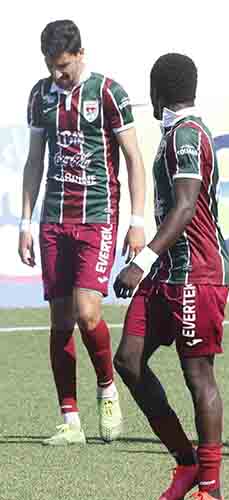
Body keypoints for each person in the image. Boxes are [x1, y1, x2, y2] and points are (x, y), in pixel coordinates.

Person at [19, 19, 146, 446]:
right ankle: (69, 420)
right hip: (54, 220)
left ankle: (107, 389)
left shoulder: (108, 93)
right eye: (51, 66)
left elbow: (133, 158)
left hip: (97, 217)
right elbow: (35, 159)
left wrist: (137, 220)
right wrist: (25, 222)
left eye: (63, 66)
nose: (57, 75)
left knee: (88, 313)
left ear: (79, 55)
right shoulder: (40, 95)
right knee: (59, 321)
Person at [113, 53, 229, 500]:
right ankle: (186, 464)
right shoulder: (176, 133)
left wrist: (139, 261)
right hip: (168, 271)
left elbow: (185, 206)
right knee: (129, 360)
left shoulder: (187, 135)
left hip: (196, 271)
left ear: (155, 92)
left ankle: (210, 487)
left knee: (197, 374)